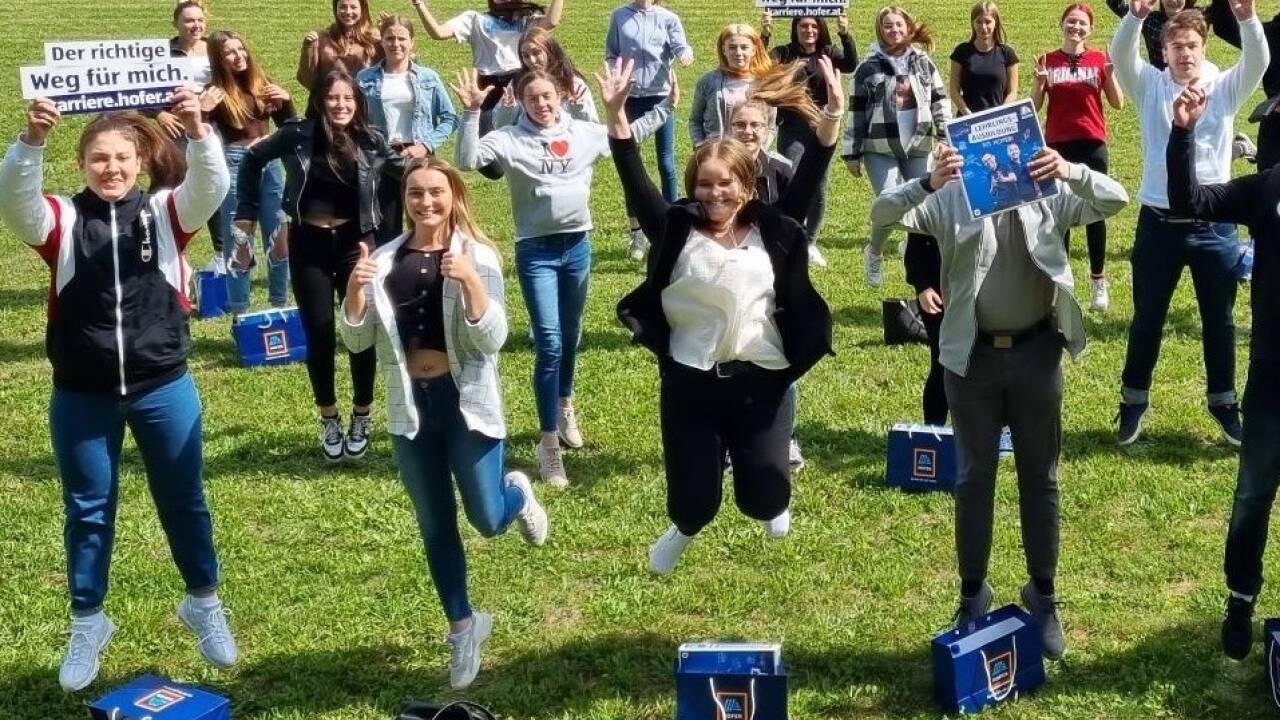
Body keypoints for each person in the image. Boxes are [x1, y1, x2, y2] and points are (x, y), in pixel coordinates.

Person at [0, 90, 238, 691]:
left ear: (140, 161)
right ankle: (88, 621)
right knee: (87, 510)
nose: (111, 168)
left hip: (164, 385)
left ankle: (204, 602)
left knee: (184, 500)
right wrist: (30, 141)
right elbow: (16, 204)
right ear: (82, 164)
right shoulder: (63, 219)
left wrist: (199, 130)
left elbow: (210, 186)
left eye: (122, 158)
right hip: (83, 393)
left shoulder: (163, 211)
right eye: (99, 159)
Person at [871, 140, 1128, 661]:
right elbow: (882, 213)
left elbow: (1115, 199)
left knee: (1040, 476)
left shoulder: (1047, 191)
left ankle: (1043, 593)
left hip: (1037, 354)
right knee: (973, 477)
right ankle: (973, 593)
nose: (998, 162)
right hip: (971, 359)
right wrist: (928, 182)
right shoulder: (952, 197)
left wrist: (1070, 170)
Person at [612, 57, 842, 575]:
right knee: (694, 504)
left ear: (747, 185)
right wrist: (617, 117)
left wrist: (831, 116)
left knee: (763, 499)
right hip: (690, 382)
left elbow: (811, 172)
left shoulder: (773, 228)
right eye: (705, 185)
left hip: (760, 378)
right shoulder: (674, 229)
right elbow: (634, 177)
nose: (715, 194)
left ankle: (771, 502)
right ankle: (683, 530)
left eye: (726, 184)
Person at [339, 156, 548, 689]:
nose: (426, 202)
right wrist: (355, 292)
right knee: (435, 523)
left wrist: (473, 284)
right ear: (404, 200)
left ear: (454, 195)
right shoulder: (385, 259)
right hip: (410, 407)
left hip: (466, 402)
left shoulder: (478, 255)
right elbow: (357, 341)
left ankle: (517, 495)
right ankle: (463, 626)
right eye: (416, 194)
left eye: (436, 192)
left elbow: (492, 339)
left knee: (486, 518)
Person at [453, 61, 673, 488]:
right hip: (536, 251)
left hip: (577, 247)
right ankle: (549, 442)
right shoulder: (510, 138)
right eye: (532, 98)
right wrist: (472, 112)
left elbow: (627, 136)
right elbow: (467, 159)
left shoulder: (583, 133)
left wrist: (665, 108)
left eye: (547, 96)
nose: (541, 104)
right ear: (521, 101)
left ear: (561, 97)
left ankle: (564, 403)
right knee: (550, 342)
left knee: (570, 337)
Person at [1110, 0, 1267, 446]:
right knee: (1147, 319)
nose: (1185, 53)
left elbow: (1258, 62)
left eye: (1192, 45)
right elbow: (1120, 55)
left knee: (1219, 321)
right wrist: (1134, 16)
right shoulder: (1148, 86)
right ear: (1163, 52)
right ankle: (1132, 403)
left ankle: (1224, 405)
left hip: (1214, 225)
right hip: (1158, 223)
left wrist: (1248, 19)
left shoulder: (1225, 86)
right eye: (1176, 46)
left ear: (1203, 48)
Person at [235, 71, 406, 462]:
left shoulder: (371, 140)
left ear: (357, 103)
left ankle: (362, 413)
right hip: (308, 243)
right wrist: (246, 213)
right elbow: (253, 158)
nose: (340, 105)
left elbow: (409, 173)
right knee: (320, 332)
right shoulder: (297, 134)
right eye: (332, 98)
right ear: (318, 101)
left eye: (348, 98)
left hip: (355, 246)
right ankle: (329, 417)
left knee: (359, 330)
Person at [1166, 80, 1280, 661]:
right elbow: (1190, 201)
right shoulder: (1268, 188)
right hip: (1272, 377)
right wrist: (1182, 135)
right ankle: (1240, 601)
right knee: (1253, 495)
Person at [844, 5, 950, 288]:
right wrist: (851, 152)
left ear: (908, 27)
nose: (894, 30)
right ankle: (874, 252)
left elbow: (940, 101)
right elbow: (856, 111)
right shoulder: (868, 66)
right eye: (888, 26)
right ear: (881, 30)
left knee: (923, 203)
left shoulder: (923, 62)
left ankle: (912, 250)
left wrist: (945, 138)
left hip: (919, 143)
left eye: (898, 25)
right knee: (889, 202)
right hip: (880, 146)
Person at [1032, 2, 1125, 311]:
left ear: (1090, 29)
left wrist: (1110, 75)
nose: (1076, 27)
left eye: (1082, 23)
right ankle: (1062, 282)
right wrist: (1039, 83)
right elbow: (1034, 107)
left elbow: (1118, 103)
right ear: (1062, 25)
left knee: (1095, 212)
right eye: (1071, 22)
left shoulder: (1099, 59)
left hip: (1092, 143)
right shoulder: (1048, 59)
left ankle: (1098, 280)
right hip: (1057, 146)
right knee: (1059, 213)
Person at [204, 30, 296, 312]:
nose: (238, 56)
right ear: (219, 59)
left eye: (240, 49)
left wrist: (287, 100)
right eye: (229, 52)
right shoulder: (215, 91)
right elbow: (199, 135)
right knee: (239, 239)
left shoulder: (261, 82)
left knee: (279, 235)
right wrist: (202, 111)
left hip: (269, 162)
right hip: (236, 163)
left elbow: (290, 127)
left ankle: (279, 306)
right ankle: (240, 311)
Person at [357, 14, 459, 245]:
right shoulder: (364, 79)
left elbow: (449, 117)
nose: (396, 44)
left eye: (402, 38)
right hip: (381, 159)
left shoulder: (428, 77)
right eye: (390, 38)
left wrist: (425, 145)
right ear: (382, 42)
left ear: (412, 42)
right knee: (386, 227)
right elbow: (356, 121)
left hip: (418, 157)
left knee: (428, 219)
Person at [760, 10, 857, 248]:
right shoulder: (785, 53)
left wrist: (845, 34)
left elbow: (851, 64)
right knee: (790, 175)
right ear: (796, 29)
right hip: (793, 125)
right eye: (803, 26)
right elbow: (760, 66)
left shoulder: (828, 53)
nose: (809, 31)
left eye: (813, 26)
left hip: (823, 125)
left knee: (819, 185)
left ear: (820, 28)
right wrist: (765, 35)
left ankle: (810, 241)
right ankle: (793, 229)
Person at [606, 0, 694, 260]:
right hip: (629, 97)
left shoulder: (668, 17)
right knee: (631, 164)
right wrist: (615, 74)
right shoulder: (620, 16)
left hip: (660, 96)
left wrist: (685, 55)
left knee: (666, 162)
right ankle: (637, 232)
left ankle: (674, 224)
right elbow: (611, 52)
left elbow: (681, 46)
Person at [410, 0, 565, 135]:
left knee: (527, 133)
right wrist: (419, 4)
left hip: (519, 82)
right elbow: (438, 33)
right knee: (485, 143)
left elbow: (551, 21)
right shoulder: (474, 19)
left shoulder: (526, 20)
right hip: (487, 88)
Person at [491, 26, 600, 127]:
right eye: (526, 56)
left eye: (536, 53)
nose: (532, 60)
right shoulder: (517, 84)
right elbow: (499, 126)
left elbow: (592, 128)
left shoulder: (573, 84)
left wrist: (578, 110)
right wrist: (507, 110)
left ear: (550, 50)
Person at [689, 23, 774, 146]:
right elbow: (695, 121)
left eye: (744, 47)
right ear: (724, 50)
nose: (738, 52)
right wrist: (700, 146)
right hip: (716, 153)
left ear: (754, 50)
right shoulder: (708, 81)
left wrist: (759, 150)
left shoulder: (765, 84)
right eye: (732, 47)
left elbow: (770, 126)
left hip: (751, 155)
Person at [949, 1, 1020, 115]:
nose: (983, 27)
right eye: (978, 22)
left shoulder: (1007, 54)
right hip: (968, 119)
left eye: (988, 22)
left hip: (998, 120)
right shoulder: (961, 52)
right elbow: (954, 91)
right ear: (972, 23)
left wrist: (1000, 114)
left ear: (996, 23)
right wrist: (968, 114)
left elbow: (1012, 93)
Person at [298, 0, 381, 89]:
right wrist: (309, 47)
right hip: (332, 95)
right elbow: (308, 80)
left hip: (365, 96)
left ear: (362, 9)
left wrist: (386, 32)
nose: (348, 12)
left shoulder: (374, 38)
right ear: (336, 9)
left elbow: (388, 72)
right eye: (343, 7)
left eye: (353, 7)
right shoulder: (323, 39)